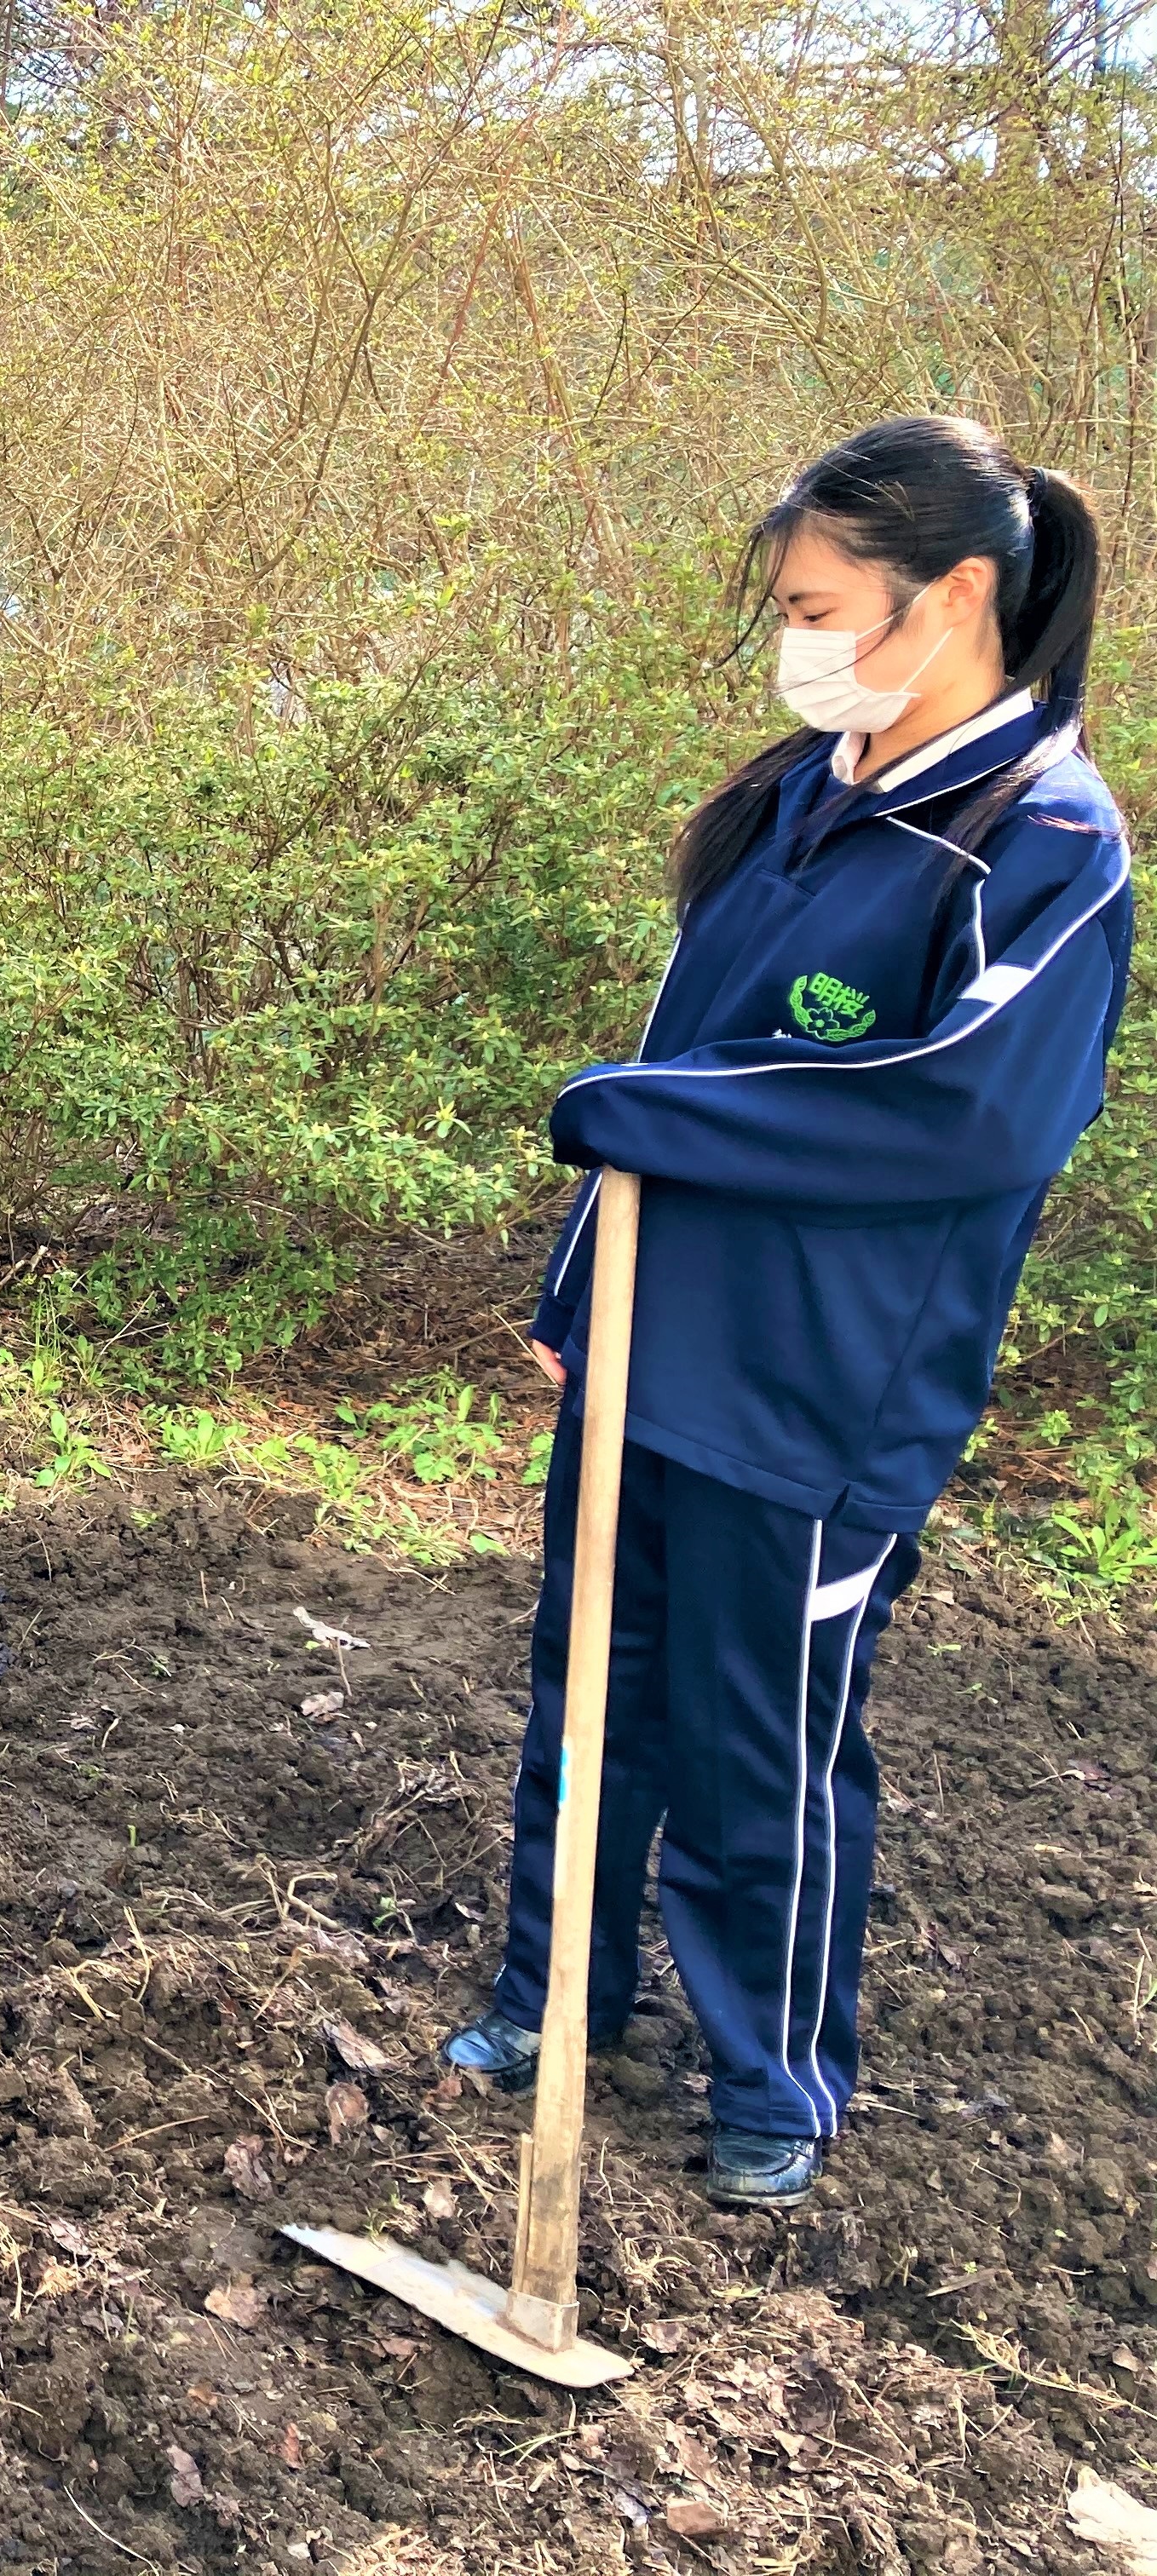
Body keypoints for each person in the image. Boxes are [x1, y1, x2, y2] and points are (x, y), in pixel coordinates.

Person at [446, 417, 1134, 2207]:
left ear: (956, 593)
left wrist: (637, 1114)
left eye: (825, 603)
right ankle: (556, 2002)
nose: (801, 636)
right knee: (594, 1702)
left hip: (816, 1399)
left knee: (770, 1740)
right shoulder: (798, 801)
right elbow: (678, 1055)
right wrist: (578, 1286)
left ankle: (771, 2080)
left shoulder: (1039, 842)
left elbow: (970, 1110)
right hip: (648, 1352)